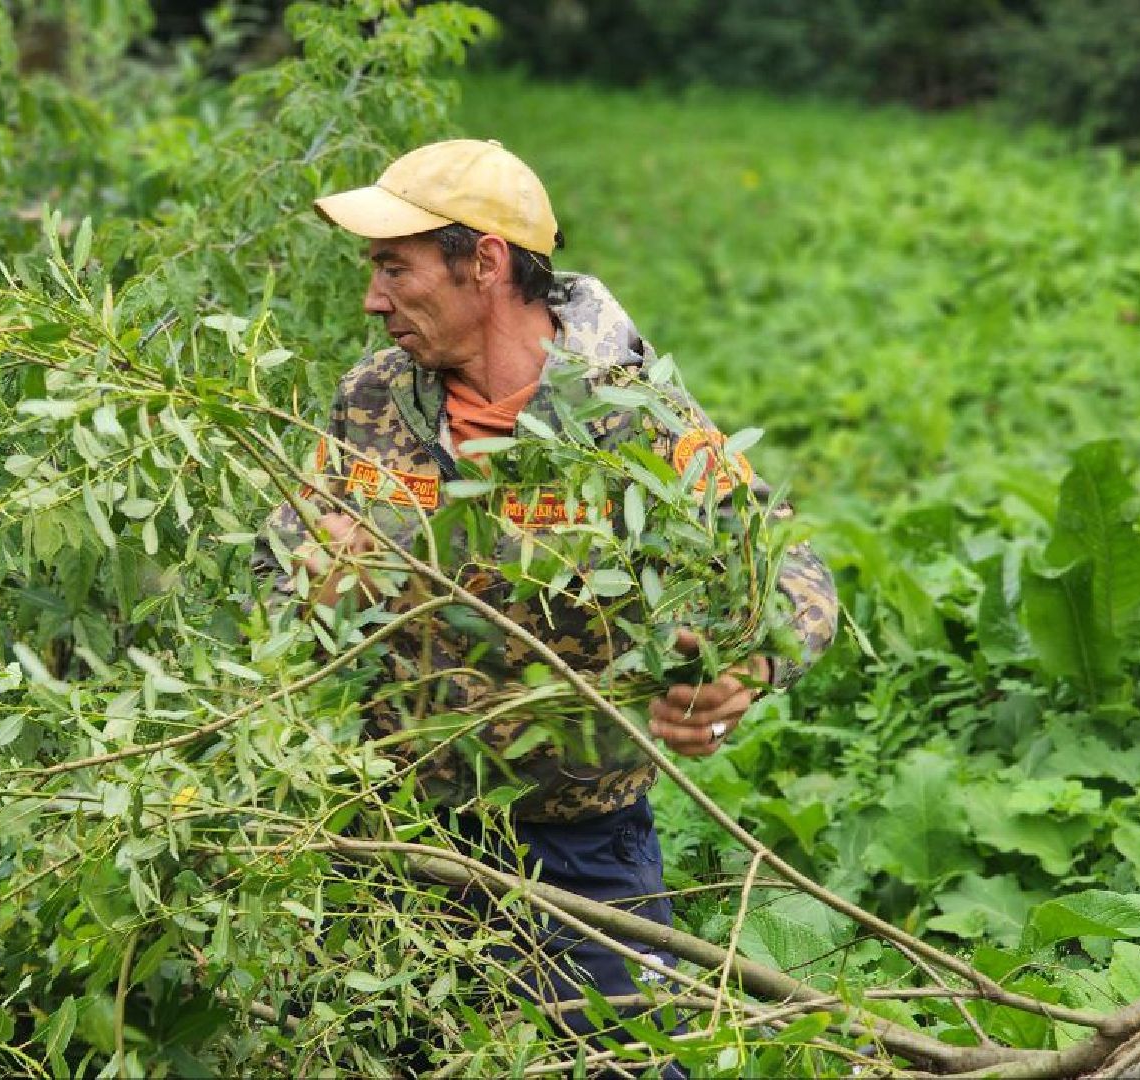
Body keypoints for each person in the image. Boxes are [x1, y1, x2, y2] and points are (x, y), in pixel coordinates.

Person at [252, 139, 839, 1048]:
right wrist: (307, 575)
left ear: (483, 261)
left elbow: (789, 574)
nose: (373, 300)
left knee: (617, 1062)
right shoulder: (370, 396)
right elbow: (282, 554)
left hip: (577, 851)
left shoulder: (629, 415)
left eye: (392, 268)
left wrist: (746, 669)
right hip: (397, 837)